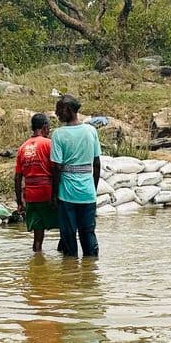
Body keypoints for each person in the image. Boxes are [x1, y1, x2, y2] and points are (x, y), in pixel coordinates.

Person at [49, 95, 101, 258]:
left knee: (69, 236)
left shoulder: (58, 134)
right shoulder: (91, 131)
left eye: (59, 110)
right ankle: (90, 275)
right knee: (88, 233)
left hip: (67, 194)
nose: (57, 114)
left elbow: (56, 168)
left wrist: (54, 194)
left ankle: (70, 275)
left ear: (68, 110)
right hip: (87, 193)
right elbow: (96, 163)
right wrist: (93, 188)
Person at [14, 113, 57, 253]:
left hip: (31, 195)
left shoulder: (22, 148)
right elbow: (56, 170)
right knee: (64, 226)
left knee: (37, 238)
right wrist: (56, 195)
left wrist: (19, 201)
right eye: (49, 128)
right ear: (45, 128)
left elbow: (18, 177)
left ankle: (37, 258)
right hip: (47, 192)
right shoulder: (48, 144)